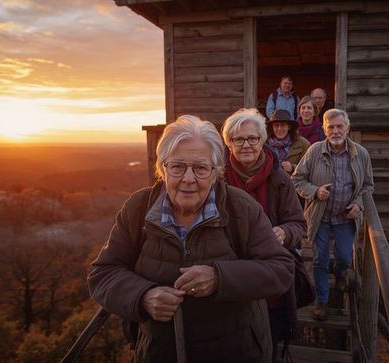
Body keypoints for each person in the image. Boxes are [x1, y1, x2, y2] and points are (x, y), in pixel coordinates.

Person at [88, 115, 294, 362]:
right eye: (177, 166)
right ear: (162, 169)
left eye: (200, 168)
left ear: (217, 172)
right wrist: (143, 296)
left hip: (236, 350)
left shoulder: (241, 208)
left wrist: (219, 278)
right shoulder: (138, 208)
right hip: (158, 353)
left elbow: (281, 270)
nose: (188, 179)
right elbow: (103, 274)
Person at [221, 108, 307, 360]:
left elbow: (298, 224)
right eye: (238, 139)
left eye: (253, 138)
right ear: (229, 143)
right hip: (230, 274)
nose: (246, 144)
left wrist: (283, 231)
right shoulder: (218, 178)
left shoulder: (280, 179)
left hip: (268, 278)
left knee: (266, 344)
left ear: (262, 140)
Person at [291, 108, 374, 321]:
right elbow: (297, 179)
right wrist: (315, 191)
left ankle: (340, 273)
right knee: (319, 259)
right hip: (320, 216)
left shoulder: (360, 154)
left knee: (344, 257)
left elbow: (367, 186)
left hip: (345, 218)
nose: (336, 131)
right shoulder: (314, 151)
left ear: (347, 128)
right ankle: (322, 300)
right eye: (331, 127)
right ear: (324, 129)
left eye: (340, 126)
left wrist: (358, 204)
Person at [266, 109, 311, 175]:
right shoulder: (264, 144)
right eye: (276, 125)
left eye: (283, 125)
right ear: (272, 127)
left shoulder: (303, 144)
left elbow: (310, 168)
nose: (279, 129)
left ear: (289, 126)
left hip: (294, 184)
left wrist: (293, 168)